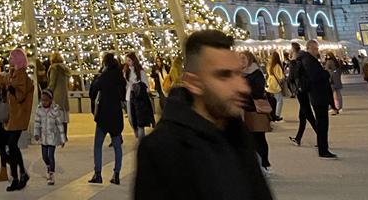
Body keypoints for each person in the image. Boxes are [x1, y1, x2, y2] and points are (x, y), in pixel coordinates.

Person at [134, 29, 273, 200]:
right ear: (193, 83)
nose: (241, 87)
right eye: (224, 76)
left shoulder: (237, 132)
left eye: (239, 73)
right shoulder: (162, 148)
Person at [290, 40, 336, 158]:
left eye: (317, 48)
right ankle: (323, 149)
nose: (317, 51)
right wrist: (326, 73)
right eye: (315, 49)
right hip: (317, 94)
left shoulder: (306, 59)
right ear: (309, 48)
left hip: (316, 94)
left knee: (320, 121)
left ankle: (322, 147)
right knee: (322, 122)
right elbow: (315, 76)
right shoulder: (308, 60)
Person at [88, 52, 126, 185]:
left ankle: (97, 174)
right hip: (116, 115)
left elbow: (92, 92)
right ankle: (116, 174)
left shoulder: (103, 77)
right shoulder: (120, 77)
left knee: (98, 145)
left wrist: (99, 75)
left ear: (105, 63)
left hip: (103, 116)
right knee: (117, 147)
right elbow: (123, 95)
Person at [4, 48, 32, 191]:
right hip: (13, 116)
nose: (9, 60)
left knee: (12, 145)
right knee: (11, 146)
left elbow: (21, 95)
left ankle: (20, 174)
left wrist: (11, 89)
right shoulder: (13, 73)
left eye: (11, 58)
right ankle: (17, 176)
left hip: (19, 116)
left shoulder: (21, 75)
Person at [241, 52, 271, 173]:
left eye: (243, 58)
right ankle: (255, 164)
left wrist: (244, 90)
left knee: (258, 138)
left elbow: (258, 90)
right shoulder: (241, 73)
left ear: (249, 59)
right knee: (250, 138)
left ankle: (264, 163)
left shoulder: (255, 72)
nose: (241, 61)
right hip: (244, 109)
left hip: (255, 110)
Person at [287, 41, 318, 149]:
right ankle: (298, 138)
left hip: (301, 89)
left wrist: (291, 63)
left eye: (290, 50)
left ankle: (321, 136)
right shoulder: (302, 58)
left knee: (308, 114)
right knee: (303, 115)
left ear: (293, 50)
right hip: (304, 88)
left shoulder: (296, 61)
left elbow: (293, 76)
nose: (288, 52)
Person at [33, 87, 65, 185]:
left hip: (52, 137)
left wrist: (62, 139)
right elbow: (37, 123)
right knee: (44, 156)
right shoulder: (39, 110)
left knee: (51, 156)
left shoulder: (55, 110)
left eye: (46, 100)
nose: (44, 102)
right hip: (44, 137)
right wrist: (36, 134)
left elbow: (60, 124)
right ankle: (48, 166)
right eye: (42, 100)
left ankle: (51, 174)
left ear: (51, 100)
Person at [124, 52, 154, 140]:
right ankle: (136, 131)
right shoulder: (126, 71)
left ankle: (141, 138)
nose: (127, 62)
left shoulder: (140, 71)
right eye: (127, 60)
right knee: (130, 117)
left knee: (140, 119)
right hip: (129, 96)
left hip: (139, 97)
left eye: (129, 60)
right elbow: (125, 84)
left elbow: (146, 84)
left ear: (133, 61)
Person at [46, 52, 70, 139]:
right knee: (64, 116)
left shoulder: (54, 68)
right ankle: (65, 135)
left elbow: (52, 83)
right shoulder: (65, 69)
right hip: (64, 94)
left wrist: (48, 92)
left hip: (56, 94)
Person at [266, 52, 285, 120]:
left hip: (270, 83)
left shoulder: (269, 65)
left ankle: (272, 114)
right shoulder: (277, 65)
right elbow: (281, 77)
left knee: (272, 100)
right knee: (279, 100)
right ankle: (277, 115)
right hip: (276, 85)